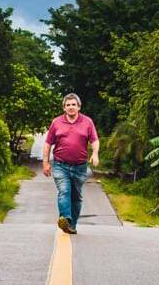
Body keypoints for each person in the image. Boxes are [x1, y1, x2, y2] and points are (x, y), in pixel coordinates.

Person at [43, 93, 99, 234]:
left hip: (80, 167)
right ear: (64, 107)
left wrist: (95, 153)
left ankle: (72, 225)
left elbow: (94, 140)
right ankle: (65, 219)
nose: (71, 107)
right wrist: (45, 163)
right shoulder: (56, 122)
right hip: (60, 165)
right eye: (68, 105)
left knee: (76, 196)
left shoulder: (87, 122)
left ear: (79, 107)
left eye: (73, 104)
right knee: (64, 191)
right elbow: (48, 143)